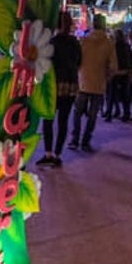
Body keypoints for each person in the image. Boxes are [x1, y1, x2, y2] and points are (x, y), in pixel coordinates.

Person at [37, 11, 81, 168]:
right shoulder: (75, 42)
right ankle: (57, 154)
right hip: (71, 85)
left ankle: (48, 153)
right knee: (63, 120)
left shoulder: (52, 43)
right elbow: (79, 62)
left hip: (54, 85)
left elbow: (46, 64)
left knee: (48, 119)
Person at [70, 13, 117, 152]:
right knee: (92, 114)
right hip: (99, 83)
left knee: (77, 112)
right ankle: (86, 140)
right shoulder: (109, 43)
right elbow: (114, 66)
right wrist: (106, 76)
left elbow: (76, 60)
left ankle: (75, 138)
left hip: (83, 81)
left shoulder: (84, 40)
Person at [104, 29, 132, 121]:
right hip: (125, 72)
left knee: (111, 94)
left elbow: (111, 59)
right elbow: (131, 59)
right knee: (125, 95)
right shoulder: (126, 46)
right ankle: (126, 113)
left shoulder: (114, 46)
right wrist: (131, 70)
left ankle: (110, 113)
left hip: (116, 72)